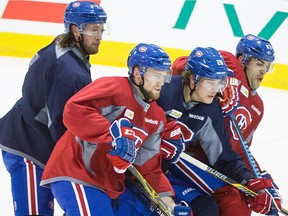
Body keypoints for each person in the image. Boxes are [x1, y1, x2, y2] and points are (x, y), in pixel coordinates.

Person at [40, 43, 192, 216]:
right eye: (156, 74)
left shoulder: (156, 117)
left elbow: (149, 168)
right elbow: (74, 109)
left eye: (164, 74)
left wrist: (170, 205)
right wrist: (112, 134)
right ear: (137, 73)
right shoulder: (113, 87)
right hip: (78, 172)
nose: (161, 81)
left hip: (109, 185)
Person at [0, 1, 107, 215]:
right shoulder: (70, 73)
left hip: (32, 137)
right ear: (76, 30)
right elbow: (62, 126)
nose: (99, 36)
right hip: (28, 147)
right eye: (93, 29)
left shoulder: (61, 45)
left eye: (101, 29)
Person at [157, 46, 282, 216]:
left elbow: (232, 152)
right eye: (259, 63)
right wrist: (229, 80)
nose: (263, 71)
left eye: (219, 82)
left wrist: (254, 180)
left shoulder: (254, 107)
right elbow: (181, 64)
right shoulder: (230, 66)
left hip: (197, 160)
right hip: (167, 161)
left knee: (226, 205)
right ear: (243, 61)